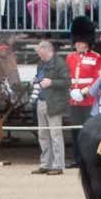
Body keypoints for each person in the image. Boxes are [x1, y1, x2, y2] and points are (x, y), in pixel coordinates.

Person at [32, 37, 69, 175]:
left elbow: (66, 82)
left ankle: (58, 165)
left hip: (54, 103)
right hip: (41, 101)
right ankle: (46, 164)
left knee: (55, 135)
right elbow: (39, 76)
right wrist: (36, 80)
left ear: (49, 50)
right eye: (39, 55)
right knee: (43, 134)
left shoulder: (60, 64)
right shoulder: (41, 63)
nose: (40, 57)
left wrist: (51, 82)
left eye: (42, 54)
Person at [65, 15, 101, 126]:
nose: (79, 44)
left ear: (87, 42)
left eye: (82, 42)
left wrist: (83, 92)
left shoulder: (96, 57)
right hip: (73, 100)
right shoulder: (70, 57)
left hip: (88, 99)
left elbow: (97, 79)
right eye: (77, 42)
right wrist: (70, 91)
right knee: (75, 130)